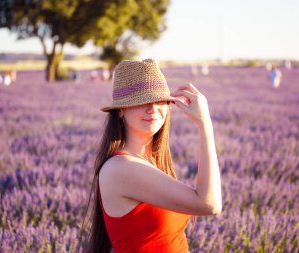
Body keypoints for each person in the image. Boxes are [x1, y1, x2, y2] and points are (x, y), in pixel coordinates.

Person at [83, 59, 222, 253]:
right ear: (121, 110)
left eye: (159, 100)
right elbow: (209, 204)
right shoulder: (121, 168)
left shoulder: (152, 161)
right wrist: (205, 124)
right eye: (141, 101)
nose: (153, 108)